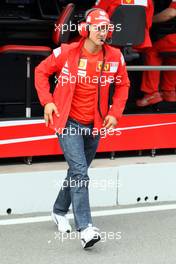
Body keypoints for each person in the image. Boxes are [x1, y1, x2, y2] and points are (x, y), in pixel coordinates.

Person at [35, 8, 130, 249]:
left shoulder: (115, 56)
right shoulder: (67, 52)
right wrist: (48, 101)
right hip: (68, 122)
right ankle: (86, 228)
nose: (103, 32)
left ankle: (58, 211)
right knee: (80, 172)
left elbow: (123, 85)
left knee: (77, 172)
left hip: (94, 125)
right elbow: (40, 71)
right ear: (85, 29)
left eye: (106, 28)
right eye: (98, 27)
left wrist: (114, 113)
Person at [137, 0, 176, 107]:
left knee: (151, 50)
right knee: (171, 56)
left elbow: (170, 13)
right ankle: (169, 92)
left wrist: (148, 20)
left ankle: (151, 93)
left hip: (171, 37)